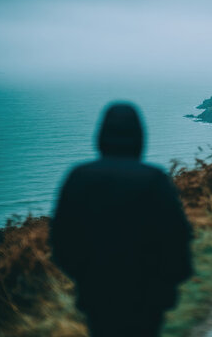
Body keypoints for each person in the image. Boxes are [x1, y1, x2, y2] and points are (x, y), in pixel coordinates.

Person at [50, 103, 193, 337]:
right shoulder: (154, 179)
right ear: (139, 136)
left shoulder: (78, 177)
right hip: (148, 295)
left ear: (101, 136)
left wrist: (83, 275)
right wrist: (172, 280)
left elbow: (61, 240)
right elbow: (176, 236)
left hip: (96, 293)